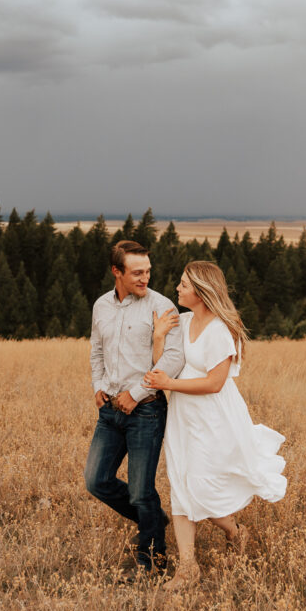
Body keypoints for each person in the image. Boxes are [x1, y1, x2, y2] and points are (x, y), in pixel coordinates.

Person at [144, 260, 287, 590]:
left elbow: (214, 383)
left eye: (183, 283)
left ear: (201, 290)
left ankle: (236, 533)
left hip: (213, 419)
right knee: (181, 486)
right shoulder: (182, 321)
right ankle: (187, 569)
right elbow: (163, 367)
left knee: (204, 487)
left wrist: (169, 385)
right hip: (183, 418)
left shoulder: (221, 330)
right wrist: (159, 338)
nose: (177, 288)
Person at [85, 240, 184, 577]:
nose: (145, 278)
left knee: (142, 491)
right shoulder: (101, 306)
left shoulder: (163, 306)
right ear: (117, 272)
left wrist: (138, 392)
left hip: (146, 411)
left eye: (148, 272)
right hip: (109, 411)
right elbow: (96, 350)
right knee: (96, 481)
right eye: (137, 273)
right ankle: (154, 521)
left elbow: (174, 358)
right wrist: (98, 385)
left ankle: (151, 562)